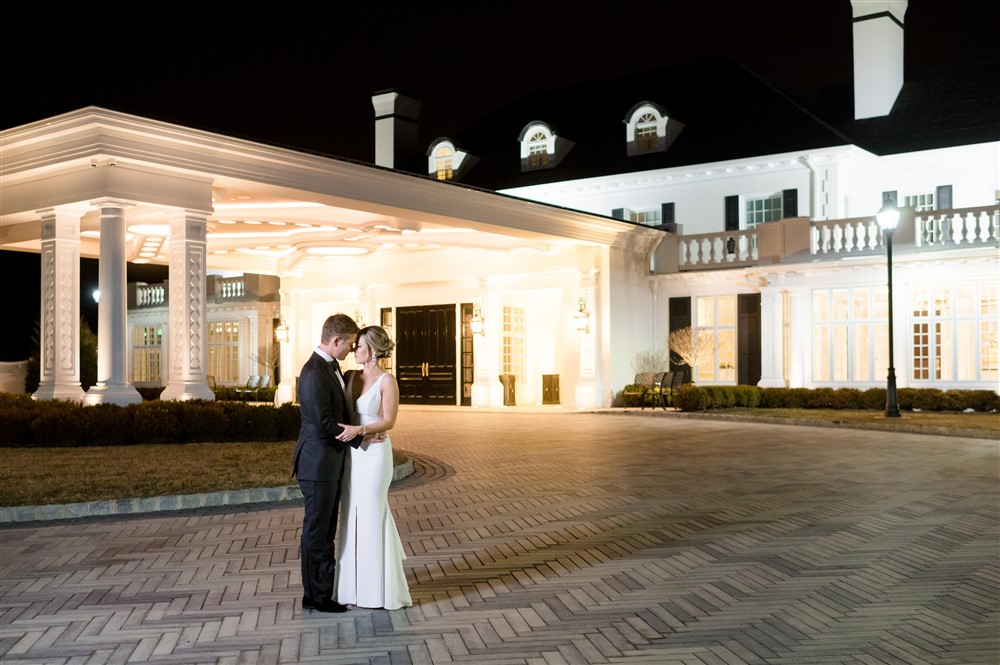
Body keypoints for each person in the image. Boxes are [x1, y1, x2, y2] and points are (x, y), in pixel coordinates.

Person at [334, 325, 412, 610]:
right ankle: (350, 590)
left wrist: (363, 429)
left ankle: (378, 591)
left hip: (376, 455)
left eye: (360, 346)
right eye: (355, 346)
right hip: (352, 456)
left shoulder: (386, 381)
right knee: (351, 515)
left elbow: (389, 420)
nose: (354, 350)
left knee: (371, 513)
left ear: (374, 351)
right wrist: (357, 432)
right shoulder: (350, 377)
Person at [292, 313, 365, 614]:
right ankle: (316, 596)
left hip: (326, 462)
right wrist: (359, 438)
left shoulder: (331, 367)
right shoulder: (313, 373)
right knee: (318, 532)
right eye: (348, 344)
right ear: (335, 341)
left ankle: (321, 589)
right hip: (317, 464)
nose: (350, 350)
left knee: (323, 530)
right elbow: (323, 422)